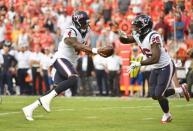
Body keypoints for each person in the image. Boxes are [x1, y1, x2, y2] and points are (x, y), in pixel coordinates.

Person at [22, 10, 112, 121]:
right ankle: (45, 100)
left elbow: (83, 47)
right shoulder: (70, 30)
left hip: (71, 61)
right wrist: (95, 49)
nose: (86, 24)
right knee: (73, 77)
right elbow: (74, 43)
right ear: (77, 23)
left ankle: (29, 108)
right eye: (84, 22)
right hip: (61, 59)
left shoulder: (86, 30)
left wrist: (95, 52)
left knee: (56, 90)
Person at [119, 14, 190, 123]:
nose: (135, 29)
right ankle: (180, 89)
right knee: (153, 95)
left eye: (137, 26)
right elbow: (126, 40)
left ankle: (167, 115)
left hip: (165, 66)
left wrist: (138, 63)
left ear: (144, 26)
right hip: (156, 67)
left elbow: (155, 58)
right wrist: (120, 36)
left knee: (158, 94)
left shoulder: (153, 36)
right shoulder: (139, 36)